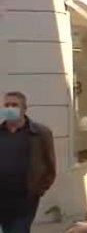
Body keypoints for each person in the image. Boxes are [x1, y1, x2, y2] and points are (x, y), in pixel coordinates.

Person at [0, 92, 56, 233]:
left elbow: (50, 166)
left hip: (25, 200)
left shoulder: (40, 133)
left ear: (24, 108)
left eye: (14, 105)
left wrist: (38, 190)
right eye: (7, 105)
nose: (10, 108)